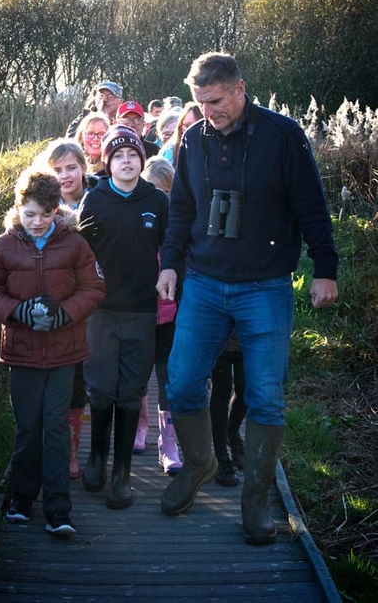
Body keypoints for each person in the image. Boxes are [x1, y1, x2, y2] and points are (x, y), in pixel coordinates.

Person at [156, 51, 338, 545]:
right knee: (183, 380)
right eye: (199, 102)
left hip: (265, 286)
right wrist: (170, 263)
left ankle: (255, 500)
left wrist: (326, 268)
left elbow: (312, 207)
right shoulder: (192, 140)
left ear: (239, 88)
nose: (207, 112)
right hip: (205, 283)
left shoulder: (283, 135)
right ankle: (199, 464)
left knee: (266, 398)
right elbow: (180, 212)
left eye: (215, 101)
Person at [0, 168, 105, 536]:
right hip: (21, 354)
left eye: (45, 215)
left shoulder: (75, 244)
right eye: (30, 214)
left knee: (56, 428)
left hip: (64, 353)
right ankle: (21, 499)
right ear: (19, 209)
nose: (37, 222)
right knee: (28, 428)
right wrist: (18, 312)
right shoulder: (3, 245)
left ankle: (58, 509)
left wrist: (64, 314)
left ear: (56, 211)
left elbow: (94, 289)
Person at [79, 125, 169, 509]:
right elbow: (78, 253)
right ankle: (97, 457)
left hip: (141, 311)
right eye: (118, 156)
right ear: (108, 162)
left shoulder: (157, 201)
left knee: (132, 392)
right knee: (100, 388)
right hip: (101, 311)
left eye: (132, 154)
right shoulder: (94, 200)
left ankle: (122, 474)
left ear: (141, 160)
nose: (126, 161)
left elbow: (171, 249)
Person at [34, 139, 97, 479]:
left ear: (84, 167)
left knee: (91, 376)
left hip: (95, 301)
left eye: (71, 167)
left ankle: (86, 447)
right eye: (56, 170)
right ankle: (65, 448)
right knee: (65, 376)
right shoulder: (40, 205)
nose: (64, 175)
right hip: (57, 304)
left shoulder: (100, 199)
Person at [139, 156, 183, 474]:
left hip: (172, 315)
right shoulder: (137, 224)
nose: (159, 198)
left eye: (165, 191)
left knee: (167, 379)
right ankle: (138, 428)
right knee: (137, 378)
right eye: (153, 190)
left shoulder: (180, 229)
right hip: (139, 313)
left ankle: (168, 442)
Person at [210, 331, 246, 487]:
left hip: (246, 331)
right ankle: (221, 457)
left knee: (246, 389)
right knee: (220, 390)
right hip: (218, 332)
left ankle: (232, 432)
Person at [160, 101, 203, 167]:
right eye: (187, 125)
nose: (191, 130)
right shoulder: (170, 152)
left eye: (196, 125)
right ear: (180, 126)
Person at [73, 112, 110, 176]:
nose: (95, 138)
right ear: (81, 137)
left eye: (101, 134)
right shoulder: (72, 164)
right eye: (90, 133)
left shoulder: (112, 168)